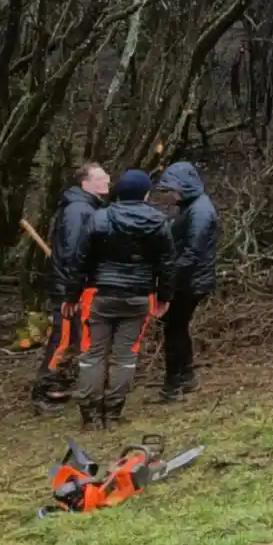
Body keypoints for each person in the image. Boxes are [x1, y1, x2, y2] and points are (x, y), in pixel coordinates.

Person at [74, 169, 172, 430]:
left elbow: (80, 260)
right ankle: (113, 414)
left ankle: (90, 415)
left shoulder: (99, 218)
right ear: (146, 193)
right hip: (139, 296)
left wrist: (72, 294)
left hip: (101, 295)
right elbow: (167, 263)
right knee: (125, 356)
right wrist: (164, 297)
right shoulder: (158, 222)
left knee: (93, 354)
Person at [32, 162, 109, 416]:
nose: (107, 179)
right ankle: (44, 391)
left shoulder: (88, 207)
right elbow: (72, 254)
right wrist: (71, 293)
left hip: (77, 285)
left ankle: (60, 385)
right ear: (85, 183)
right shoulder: (78, 211)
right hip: (69, 287)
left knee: (75, 337)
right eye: (101, 177)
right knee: (63, 339)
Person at [157, 161, 218, 402]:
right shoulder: (191, 206)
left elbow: (193, 252)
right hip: (189, 278)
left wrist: (171, 277)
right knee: (177, 327)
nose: (171, 195)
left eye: (173, 189)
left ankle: (174, 384)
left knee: (174, 328)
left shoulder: (201, 211)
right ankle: (186, 376)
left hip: (191, 281)